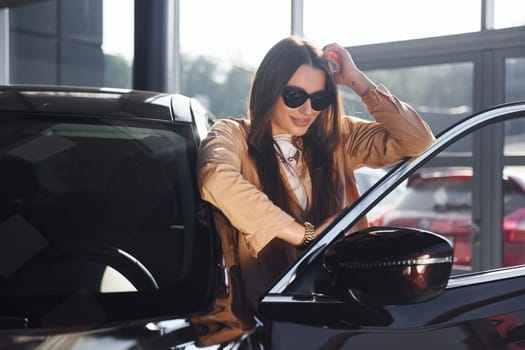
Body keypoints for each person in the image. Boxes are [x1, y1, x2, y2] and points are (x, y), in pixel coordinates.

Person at [191, 36, 434, 346]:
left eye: (318, 99)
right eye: (294, 96)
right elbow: (215, 179)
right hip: (269, 324)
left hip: (343, 321)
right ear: (270, 90)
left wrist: (356, 80)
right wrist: (303, 234)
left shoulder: (338, 138)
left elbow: (418, 142)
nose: (307, 109)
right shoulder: (234, 135)